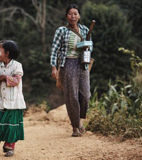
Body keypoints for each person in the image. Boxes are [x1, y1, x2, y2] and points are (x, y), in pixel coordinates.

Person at [50, 4, 92, 137]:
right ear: (66, 16)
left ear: (79, 16)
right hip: (67, 63)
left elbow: (91, 46)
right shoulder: (61, 30)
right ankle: (76, 125)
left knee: (85, 94)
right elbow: (54, 50)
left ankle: (79, 120)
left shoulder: (85, 29)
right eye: (70, 14)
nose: (73, 16)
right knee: (71, 95)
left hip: (82, 64)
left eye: (75, 14)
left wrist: (86, 47)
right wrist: (53, 67)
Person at [0, 40, 26, 157]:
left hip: (14, 100)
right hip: (0, 100)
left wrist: (4, 77)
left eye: (0, 50)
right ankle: (6, 141)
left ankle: (10, 146)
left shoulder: (17, 66)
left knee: (12, 124)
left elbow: (16, 81)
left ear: (7, 53)